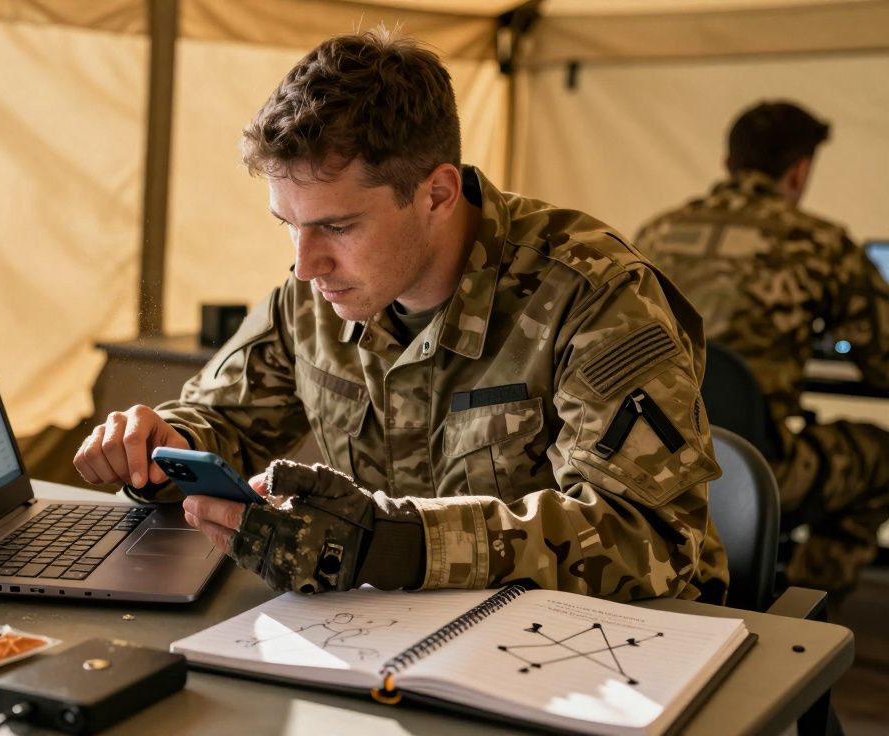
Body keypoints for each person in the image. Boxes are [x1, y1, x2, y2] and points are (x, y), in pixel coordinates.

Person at [75, 29, 728, 603]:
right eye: (288, 225)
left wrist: (393, 545)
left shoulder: (596, 296)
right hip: (386, 637)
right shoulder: (314, 296)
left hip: (593, 657)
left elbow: (652, 540)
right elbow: (224, 420)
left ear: (437, 193)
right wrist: (166, 448)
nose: (305, 265)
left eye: (337, 226)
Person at [636, 101, 889, 598]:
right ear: (798, 172)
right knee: (882, 457)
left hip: (652, 467)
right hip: (752, 472)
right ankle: (805, 605)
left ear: (727, 163)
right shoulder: (819, 242)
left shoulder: (655, 233)